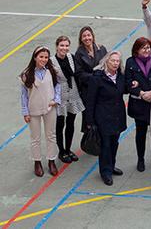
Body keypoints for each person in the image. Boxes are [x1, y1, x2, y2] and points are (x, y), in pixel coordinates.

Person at [84, 51, 130, 185]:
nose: (115, 63)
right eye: (113, 61)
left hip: (117, 115)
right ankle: (105, 172)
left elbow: (123, 89)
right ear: (106, 62)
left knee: (114, 143)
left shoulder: (120, 76)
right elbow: (90, 101)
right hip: (103, 116)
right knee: (105, 145)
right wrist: (90, 121)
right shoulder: (97, 78)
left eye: (117, 61)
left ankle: (111, 165)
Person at [125, 38, 151, 172]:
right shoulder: (130, 62)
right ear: (137, 50)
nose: (147, 50)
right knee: (140, 133)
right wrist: (142, 93)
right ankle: (140, 159)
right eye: (143, 48)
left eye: (148, 47)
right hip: (139, 103)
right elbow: (128, 82)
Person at [21, 46, 61, 177]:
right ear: (35, 57)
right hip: (33, 110)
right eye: (41, 57)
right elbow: (24, 95)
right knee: (35, 138)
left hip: (50, 108)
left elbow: (58, 85)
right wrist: (25, 112)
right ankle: (37, 162)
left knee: (51, 135)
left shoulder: (52, 71)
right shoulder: (27, 74)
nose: (44, 59)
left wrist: (56, 99)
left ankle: (51, 161)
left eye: (46, 57)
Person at [51, 36, 82, 164]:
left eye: (66, 45)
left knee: (71, 122)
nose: (64, 48)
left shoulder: (71, 57)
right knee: (60, 124)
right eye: (62, 45)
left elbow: (76, 73)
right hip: (60, 94)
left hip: (73, 90)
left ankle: (68, 149)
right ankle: (61, 151)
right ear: (57, 46)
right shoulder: (52, 61)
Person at [74, 26, 108, 133]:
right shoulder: (79, 54)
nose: (87, 38)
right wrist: (94, 77)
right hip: (87, 90)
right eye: (84, 36)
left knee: (102, 113)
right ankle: (90, 141)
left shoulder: (101, 49)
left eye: (88, 35)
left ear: (92, 36)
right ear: (81, 39)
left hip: (101, 88)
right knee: (89, 116)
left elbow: (107, 64)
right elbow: (79, 73)